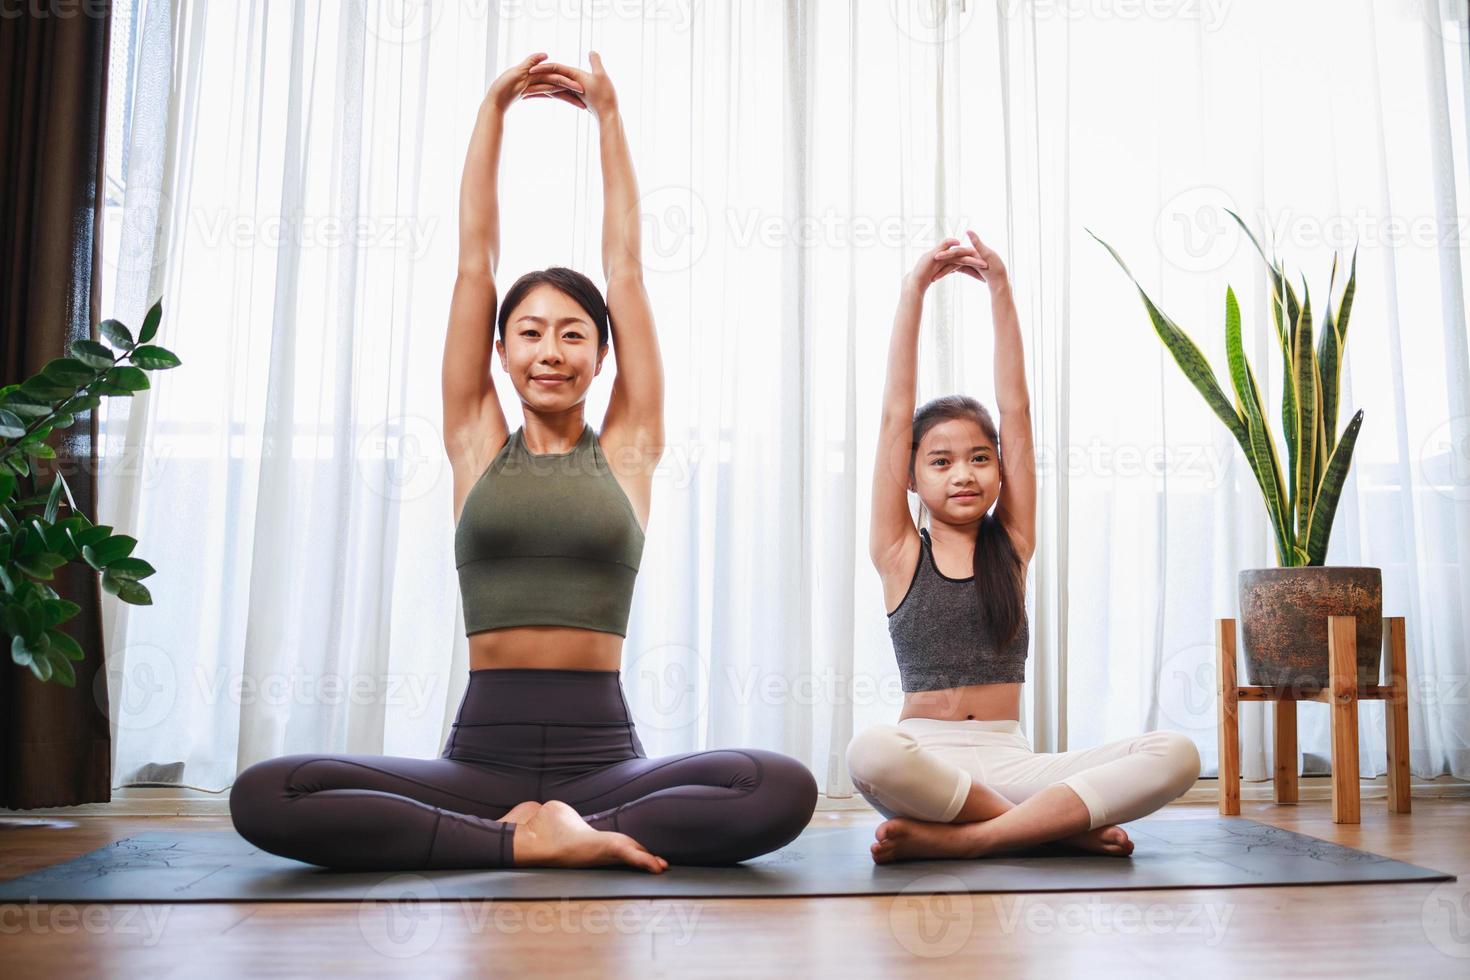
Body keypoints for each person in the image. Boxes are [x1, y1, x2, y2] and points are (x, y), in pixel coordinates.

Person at [229, 52, 817, 872]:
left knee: (779, 786)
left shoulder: (629, 445)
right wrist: (493, 111)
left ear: (603, 355)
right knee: (265, 792)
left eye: (574, 332)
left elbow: (626, 269)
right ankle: (523, 839)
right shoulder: (475, 441)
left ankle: (531, 835)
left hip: (606, 757)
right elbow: (475, 261)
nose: (551, 350)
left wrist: (610, 120)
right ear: (500, 351)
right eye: (530, 332)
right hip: (481, 759)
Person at [846, 231, 1200, 863]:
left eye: (980, 458)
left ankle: (976, 839)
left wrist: (1002, 290)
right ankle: (1052, 829)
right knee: (869, 751)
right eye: (942, 461)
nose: (964, 474)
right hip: (928, 769)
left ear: (1000, 471)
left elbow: (1017, 410)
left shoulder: (1011, 543)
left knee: (1178, 753)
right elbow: (894, 416)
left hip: (1013, 759)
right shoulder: (900, 551)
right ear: (911, 476)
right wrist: (913, 292)